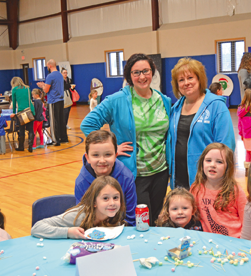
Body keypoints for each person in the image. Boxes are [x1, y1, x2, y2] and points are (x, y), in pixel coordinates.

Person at [81, 53, 171, 226]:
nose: (142, 76)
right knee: (140, 222)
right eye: (136, 72)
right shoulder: (117, 100)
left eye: (146, 71)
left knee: (156, 218)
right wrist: (111, 150)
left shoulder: (163, 100)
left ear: (152, 72)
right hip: (135, 174)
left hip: (161, 171)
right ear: (129, 76)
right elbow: (88, 124)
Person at [170, 58, 235, 190]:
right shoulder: (175, 109)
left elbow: (226, 145)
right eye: (181, 80)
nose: (186, 83)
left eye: (190, 77)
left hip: (208, 180)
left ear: (199, 79)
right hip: (179, 179)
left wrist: (218, 177)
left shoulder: (216, 106)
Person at [31, 176, 126, 239]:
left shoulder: (113, 215)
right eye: (105, 198)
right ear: (94, 202)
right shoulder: (78, 217)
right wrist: (68, 232)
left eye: (116, 197)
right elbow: (37, 228)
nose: (112, 203)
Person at [75, 130, 137, 226]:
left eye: (108, 154)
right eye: (96, 155)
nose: (102, 160)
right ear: (87, 158)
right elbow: (82, 216)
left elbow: (130, 217)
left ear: (116, 155)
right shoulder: (81, 182)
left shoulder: (126, 178)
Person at [190, 143, 247, 238]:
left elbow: (246, 220)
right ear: (202, 163)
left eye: (219, 162)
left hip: (235, 240)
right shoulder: (196, 188)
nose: (212, 165)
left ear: (228, 167)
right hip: (208, 241)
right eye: (208, 160)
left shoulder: (236, 191)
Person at [37, 59, 67, 146]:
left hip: (53, 100)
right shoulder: (60, 75)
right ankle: (63, 138)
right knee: (61, 120)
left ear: (49, 66)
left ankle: (55, 140)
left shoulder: (50, 76)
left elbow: (46, 90)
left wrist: (42, 86)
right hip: (61, 100)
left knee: (54, 121)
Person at [10, 77, 35, 153]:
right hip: (30, 110)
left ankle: (21, 147)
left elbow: (14, 103)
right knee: (31, 129)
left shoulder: (15, 89)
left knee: (22, 130)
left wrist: (14, 112)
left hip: (21, 112)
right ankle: (30, 146)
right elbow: (29, 99)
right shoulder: (27, 88)